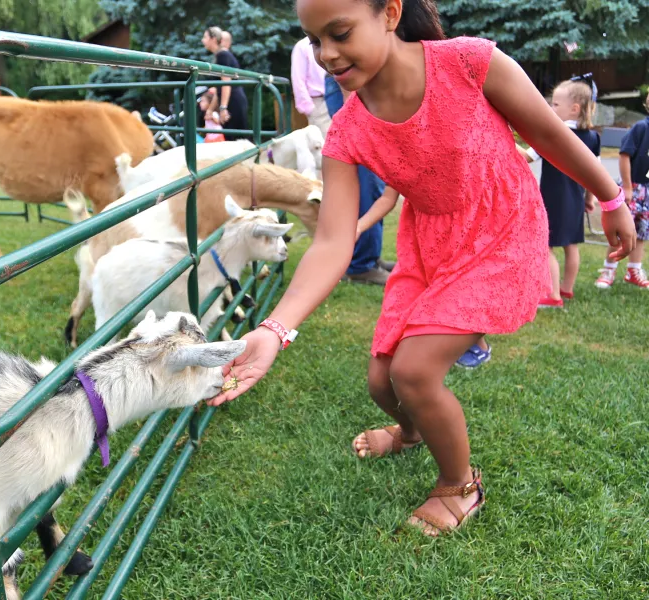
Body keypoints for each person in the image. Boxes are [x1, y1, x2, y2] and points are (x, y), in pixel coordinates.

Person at [209, 0, 635, 536]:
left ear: (389, 13)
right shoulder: (348, 131)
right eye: (314, 40)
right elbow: (333, 241)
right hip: (429, 244)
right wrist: (274, 330)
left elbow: (549, 134)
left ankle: (460, 484)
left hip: (500, 228)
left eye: (339, 33)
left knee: (414, 371)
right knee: (382, 382)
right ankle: (410, 434)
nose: (327, 55)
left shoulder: (470, 62)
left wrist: (612, 198)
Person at [519, 77, 600, 307]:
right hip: (576, 200)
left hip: (553, 199)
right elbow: (596, 172)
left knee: (546, 246)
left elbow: (527, 156)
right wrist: (590, 199)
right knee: (571, 246)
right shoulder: (593, 137)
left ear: (574, 108)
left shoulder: (554, 133)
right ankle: (566, 289)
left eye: (555, 104)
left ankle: (552, 295)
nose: (550, 108)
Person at [325, 72, 393, 285]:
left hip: (357, 88)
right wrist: (351, 99)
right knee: (368, 180)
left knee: (372, 181)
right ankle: (361, 265)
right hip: (353, 90)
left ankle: (369, 257)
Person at [594, 93, 649, 290]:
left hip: (648, 191)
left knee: (642, 232)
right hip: (633, 188)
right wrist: (627, 186)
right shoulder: (641, 128)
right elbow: (625, 155)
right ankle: (609, 269)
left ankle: (634, 270)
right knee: (622, 231)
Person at [202, 26, 249, 140]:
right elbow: (220, 88)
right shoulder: (220, 55)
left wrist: (223, 108)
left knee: (236, 140)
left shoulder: (223, 55)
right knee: (233, 139)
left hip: (233, 101)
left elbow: (226, 83)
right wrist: (211, 109)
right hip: (232, 100)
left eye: (205, 37)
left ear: (213, 39)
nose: (203, 40)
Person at [291, 36, 333, 139]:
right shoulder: (302, 46)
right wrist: (309, 108)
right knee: (323, 146)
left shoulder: (332, 41)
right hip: (319, 104)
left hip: (339, 98)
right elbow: (298, 79)